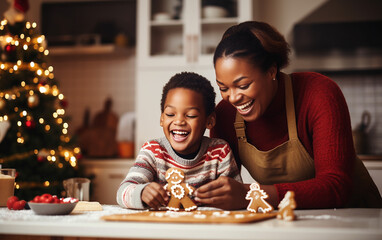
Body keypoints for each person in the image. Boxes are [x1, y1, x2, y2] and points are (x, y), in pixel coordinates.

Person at [194, 21, 382, 209]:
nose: (233, 98)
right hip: (290, 220)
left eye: (243, 86)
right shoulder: (225, 114)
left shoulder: (318, 93)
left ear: (271, 71)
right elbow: (217, 186)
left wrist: (252, 194)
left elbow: (336, 187)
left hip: (357, 216)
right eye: (223, 88)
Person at [117, 72, 242, 210]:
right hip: (163, 228)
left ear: (209, 121)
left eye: (190, 115)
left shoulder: (219, 152)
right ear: (162, 119)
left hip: (207, 227)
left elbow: (236, 195)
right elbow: (123, 191)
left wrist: (225, 198)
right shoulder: (153, 151)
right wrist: (141, 192)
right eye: (170, 114)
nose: (179, 121)